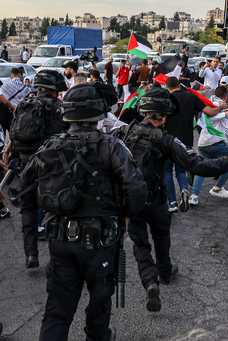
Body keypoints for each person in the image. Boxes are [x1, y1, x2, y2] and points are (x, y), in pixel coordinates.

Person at [19, 82, 147, 341]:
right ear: (98, 113)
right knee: (99, 306)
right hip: (102, 242)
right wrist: (127, 214)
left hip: (60, 241)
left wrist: (30, 241)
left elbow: (23, 188)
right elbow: (136, 188)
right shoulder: (112, 146)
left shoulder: (49, 146)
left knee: (57, 312)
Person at [115, 87, 228, 312]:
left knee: (140, 245)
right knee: (161, 237)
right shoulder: (167, 140)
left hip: (131, 201)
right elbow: (198, 165)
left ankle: (150, 282)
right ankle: (164, 272)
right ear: (163, 117)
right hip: (156, 200)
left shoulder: (124, 132)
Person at [4, 69, 68, 269]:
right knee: (55, 210)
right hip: (51, 165)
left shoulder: (24, 105)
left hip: (25, 164)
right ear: (53, 90)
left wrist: (11, 154)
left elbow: (13, 134)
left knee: (28, 210)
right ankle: (55, 258)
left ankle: (31, 254)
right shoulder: (57, 108)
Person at [164, 77, 222, 211]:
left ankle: (172, 203)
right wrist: (220, 107)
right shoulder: (191, 97)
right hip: (186, 140)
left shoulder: (166, 98)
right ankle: (184, 190)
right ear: (179, 85)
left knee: (167, 171)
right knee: (181, 170)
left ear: (167, 87)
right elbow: (210, 112)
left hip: (167, 140)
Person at [188, 86, 228, 206]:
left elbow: (221, 120)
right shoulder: (218, 104)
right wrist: (227, 112)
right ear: (226, 95)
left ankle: (194, 196)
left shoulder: (212, 102)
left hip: (204, 142)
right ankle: (218, 188)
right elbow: (211, 117)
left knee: (202, 168)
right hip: (214, 142)